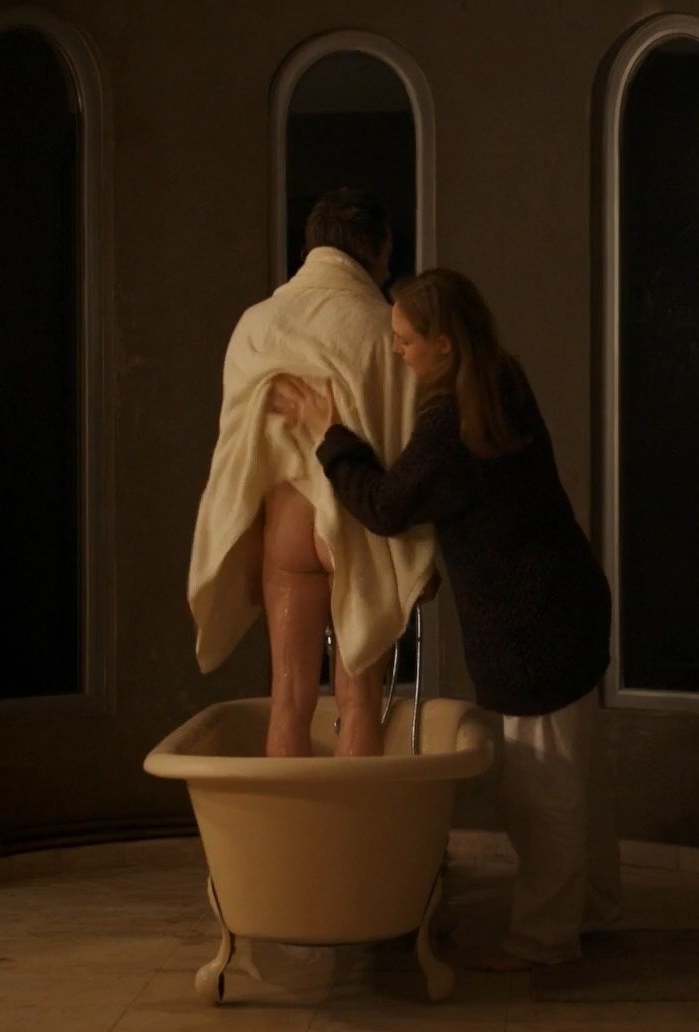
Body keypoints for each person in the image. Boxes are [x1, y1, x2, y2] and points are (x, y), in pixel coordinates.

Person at [269, 268, 622, 970]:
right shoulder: (499, 380)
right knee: (572, 777)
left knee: (541, 792)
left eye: (404, 340)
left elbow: (386, 505)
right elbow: (459, 499)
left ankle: (545, 941)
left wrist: (329, 433)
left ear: (444, 345)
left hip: (537, 627)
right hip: (563, 605)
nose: (396, 350)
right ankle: (592, 910)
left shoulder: (452, 423)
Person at [188, 189, 436, 758]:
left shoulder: (256, 325)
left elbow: (237, 451)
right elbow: (407, 445)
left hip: (288, 528)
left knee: (289, 699)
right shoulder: (385, 330)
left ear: (312, 247)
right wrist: (419, 551)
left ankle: (291, 821)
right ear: (377, 249)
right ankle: (359, 821)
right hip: (360, 523)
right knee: (360, 702)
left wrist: (246, 546)